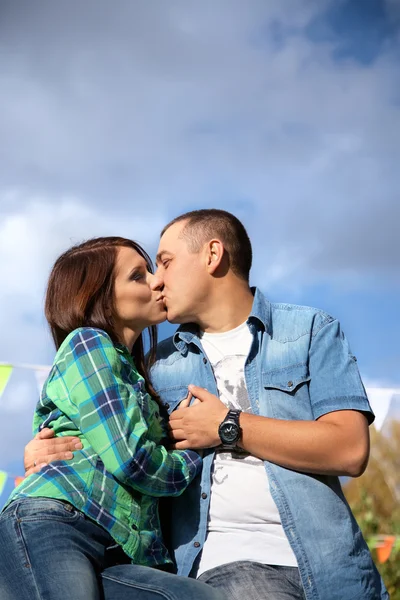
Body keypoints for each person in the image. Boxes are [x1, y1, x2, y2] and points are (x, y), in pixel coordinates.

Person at [24, 210, 388, 600]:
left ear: (213, 254)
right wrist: (46, 447)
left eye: (164, 262)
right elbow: (118, 442)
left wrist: (227, 425)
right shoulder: (152, 368)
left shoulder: (310, 330)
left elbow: (350, 450)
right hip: (228, 571)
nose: (158, 279)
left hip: (337, 571)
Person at [0, 236, 225, 600]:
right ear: (97, 296)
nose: (156, 281)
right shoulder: (88, 343)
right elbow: (132, 459)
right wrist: (194, 451)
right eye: (138, 276)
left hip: (117, 549)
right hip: (59, 523)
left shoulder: (135, 374)